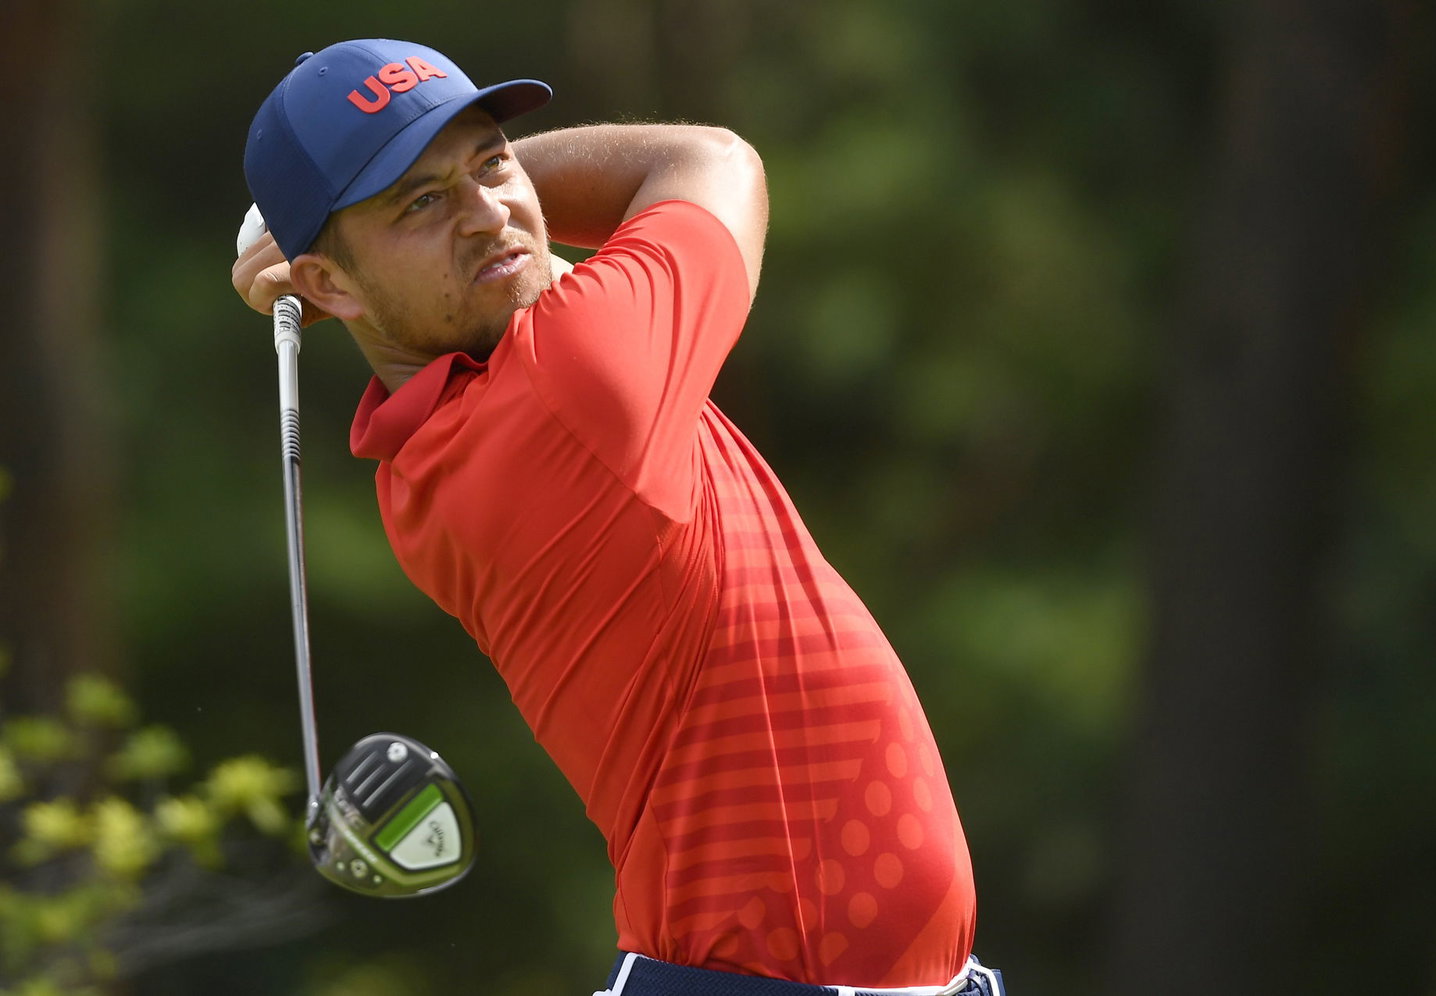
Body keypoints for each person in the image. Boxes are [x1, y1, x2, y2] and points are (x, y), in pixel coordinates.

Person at [233, 39, 1004, 996]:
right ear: (329, 290)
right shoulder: (573, 383)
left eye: (492, 160)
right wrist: (472, 201)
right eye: (421, 204)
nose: (488, 215)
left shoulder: (425, 456)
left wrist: (361, 229)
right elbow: (712, 161)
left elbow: (508, 271)